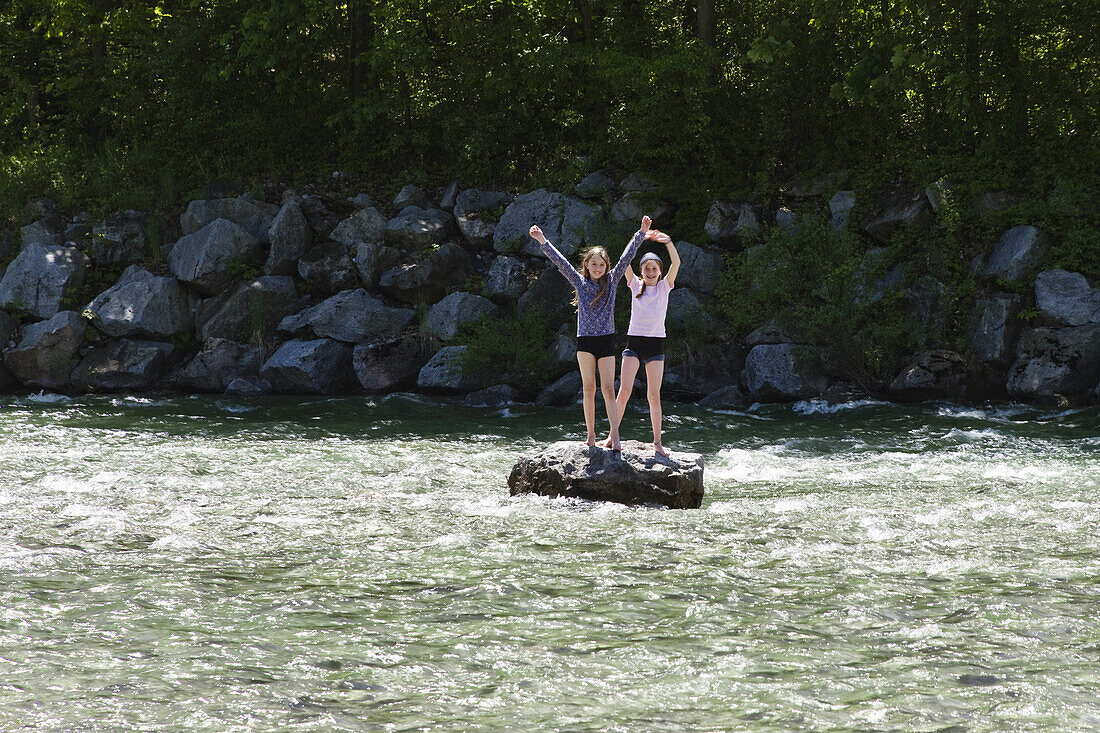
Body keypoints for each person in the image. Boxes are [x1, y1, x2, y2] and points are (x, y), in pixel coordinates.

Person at [528, 216, 651, 451]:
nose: (597, 268)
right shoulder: (580, 282)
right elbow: (561, 262)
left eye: (601, 265)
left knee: (607, 388)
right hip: (585, 342)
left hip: (605, 341)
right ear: (587, 266)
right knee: (587, 387)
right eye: (593, 264)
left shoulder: (613, 281)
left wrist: (641, 233)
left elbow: (627, 257)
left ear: (606, 267)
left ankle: (615, 435)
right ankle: (591, 434)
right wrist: (542, 240)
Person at [605, 230, 680, 456]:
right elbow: (624, 259)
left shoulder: (665, 286)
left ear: (659, 272)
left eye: (654, 268)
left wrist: (667, 241)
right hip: (634, 343)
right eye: (646, 268)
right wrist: (640, 236)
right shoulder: (635, 285)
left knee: (653, 396)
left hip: (656, 345)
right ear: (641, 271)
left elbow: (676, 262)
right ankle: (612, 435)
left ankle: (657, 442)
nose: (650, 272)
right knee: (624, 391)